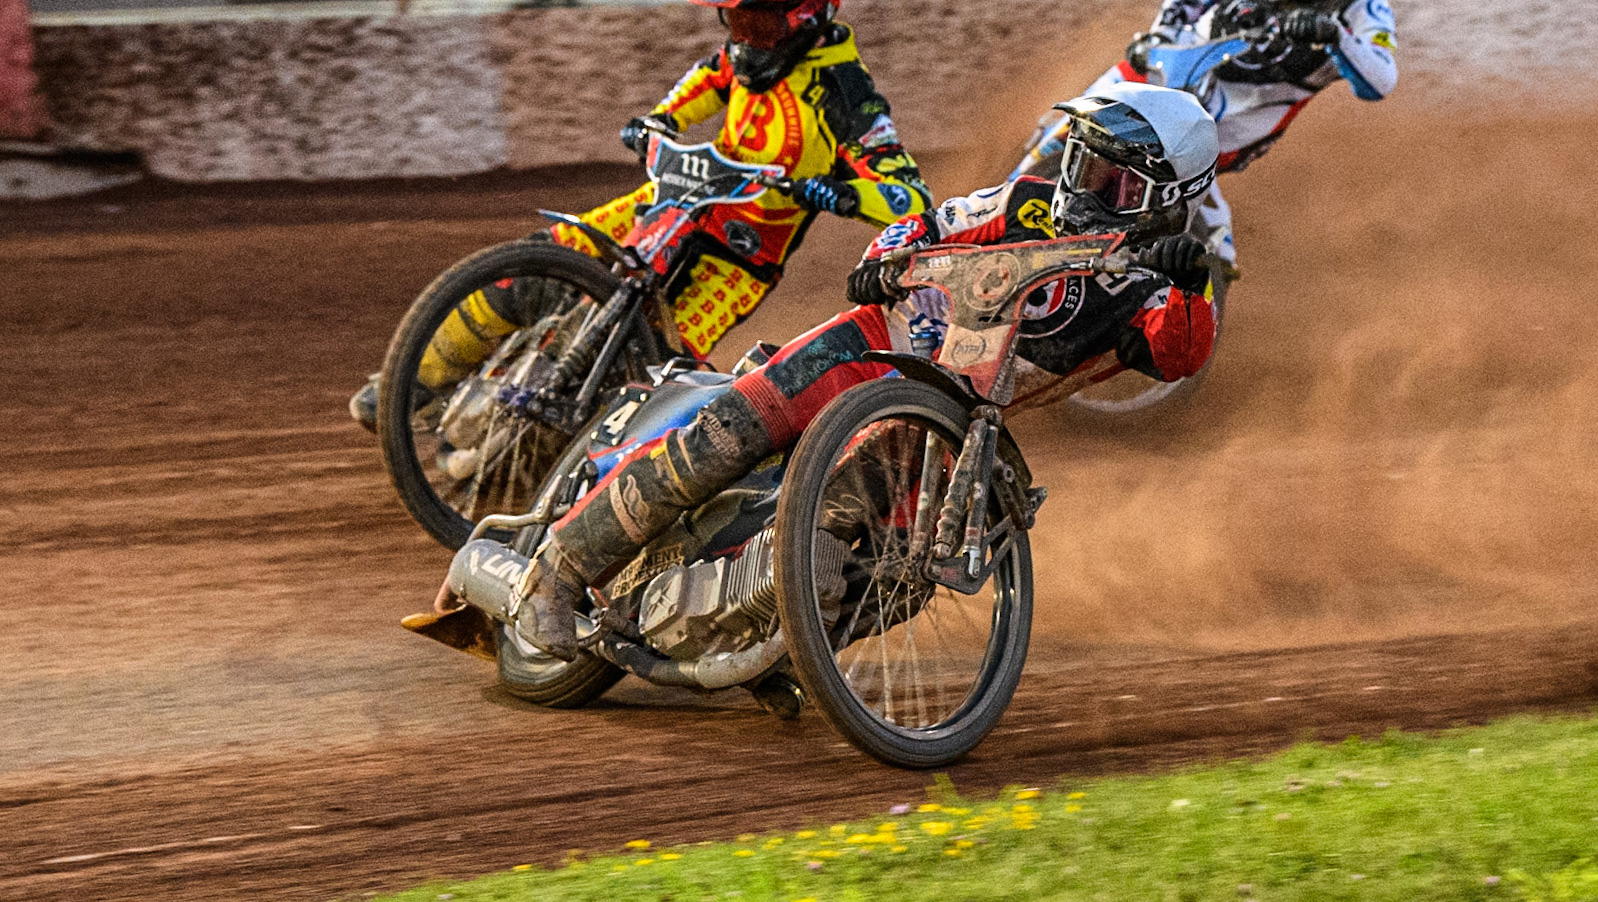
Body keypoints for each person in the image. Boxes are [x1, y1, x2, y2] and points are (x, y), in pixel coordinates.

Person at [468, 80, 1222, 660]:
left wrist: (1191, 280)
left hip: (945, 425)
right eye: (1083, 162)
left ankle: (785, 658)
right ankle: (557, 574)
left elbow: (1182, 353)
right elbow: (935, 219)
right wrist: (885, 258)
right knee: (726, 433)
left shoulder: (1153, 293)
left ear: (1163, 200)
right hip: (873, 342)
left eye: (1110, 180)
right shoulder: (1026, 203)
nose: (1080, 184)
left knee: (904, 575)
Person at [350, 0, 933, 428]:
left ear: (806, 15)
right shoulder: (742, 58)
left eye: (759, 25)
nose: (745, 41)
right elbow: (709, 80)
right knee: (537, 263)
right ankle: (411, 385)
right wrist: (659, 122)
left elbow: (911, 199)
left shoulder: (846, 94)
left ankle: (567, 490)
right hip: (676, 202)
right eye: (734, 23)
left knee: (648, 384)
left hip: (735, 261)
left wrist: (840, 194)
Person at [1011, 0, 1398, 270]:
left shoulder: (1363, 10)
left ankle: (1186, 293)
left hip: (1230, 123)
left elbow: (1381, 79)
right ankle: (1000, 210)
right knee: (1067, 130)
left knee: (1207, 240)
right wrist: (1160, 37)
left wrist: (1333, 35)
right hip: (1171, 65)